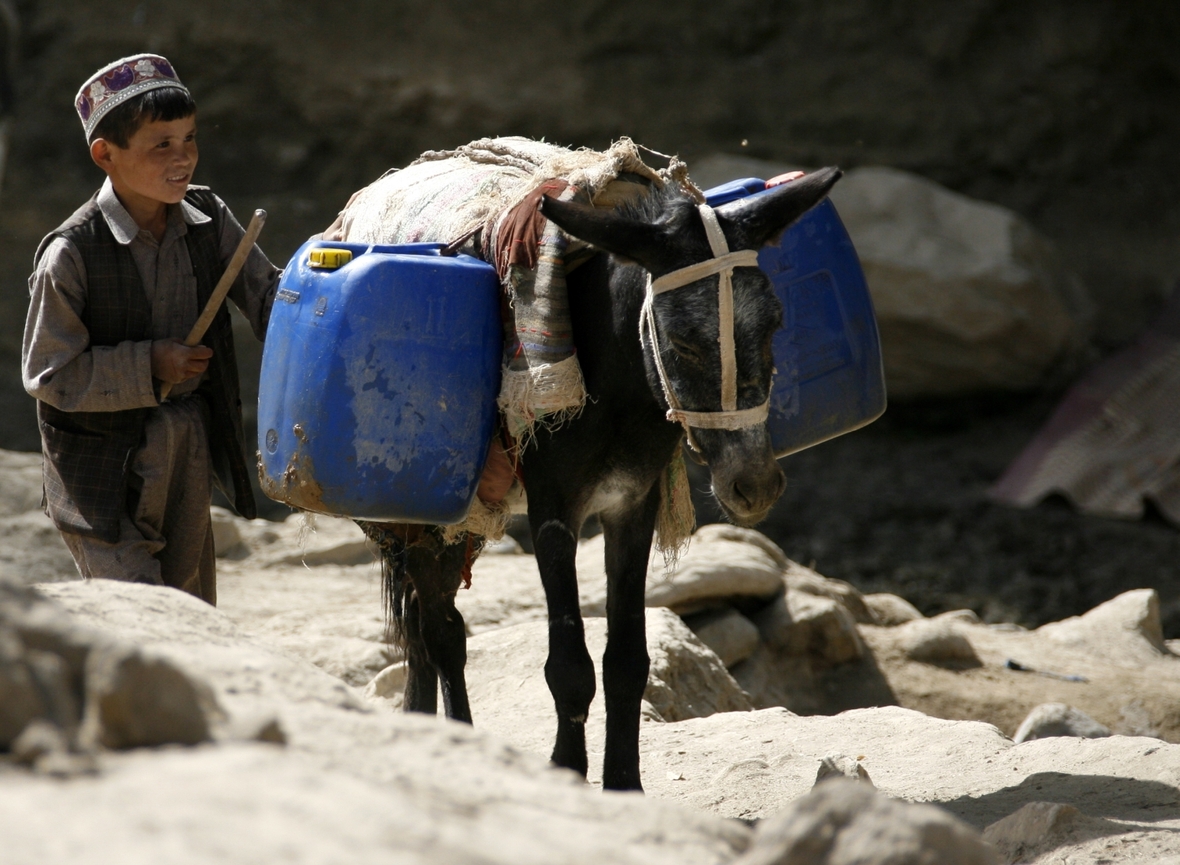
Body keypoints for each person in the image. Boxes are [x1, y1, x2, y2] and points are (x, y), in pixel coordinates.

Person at [22, 54, 280, 604]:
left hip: (185, 445)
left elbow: (269, 299)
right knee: (142, 611)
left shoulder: (208, 218)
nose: (182, 158)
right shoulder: (71, 254)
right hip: (97, 467)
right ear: (105, 155)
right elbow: (49, 374)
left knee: (189, 608)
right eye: (161, 144)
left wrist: (328, 292)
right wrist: (148, 365)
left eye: (189, 139)